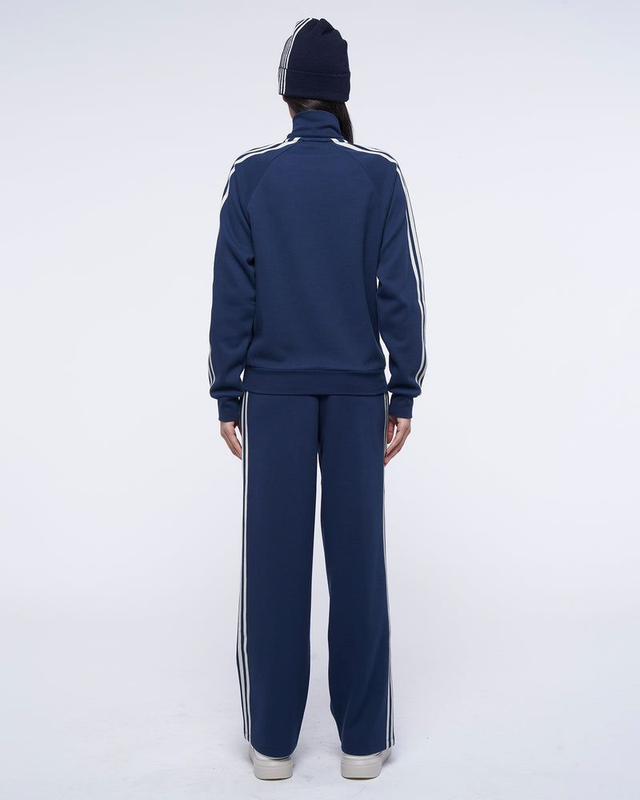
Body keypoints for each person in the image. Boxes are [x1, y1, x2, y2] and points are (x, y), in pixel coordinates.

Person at [207, 17, 426, 781]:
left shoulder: (253, 175)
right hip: (360, 395)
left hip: (274, 396)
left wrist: (226, 391)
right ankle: (362, 745)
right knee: (360, 562)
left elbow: (232, 294)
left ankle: (273, 745)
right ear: (342, 95)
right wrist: (405, 388)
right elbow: (401, 293)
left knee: (273, 564)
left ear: (286, 93)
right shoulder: (378, 175)